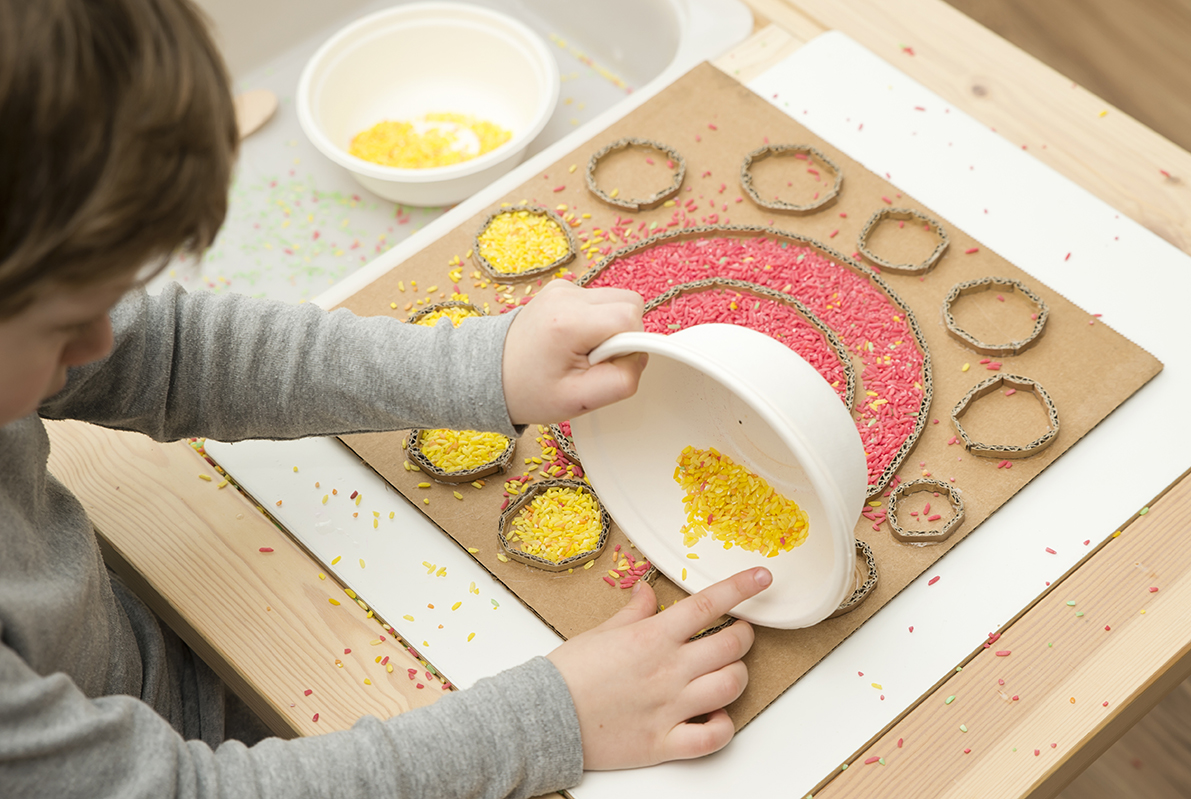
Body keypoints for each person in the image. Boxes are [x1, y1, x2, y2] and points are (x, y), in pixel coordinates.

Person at [0, 1, 771, 797]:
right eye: (64, 327)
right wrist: (558, 717)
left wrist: (480, 367)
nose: (98, 343)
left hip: (146, 686)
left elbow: (166, 353)